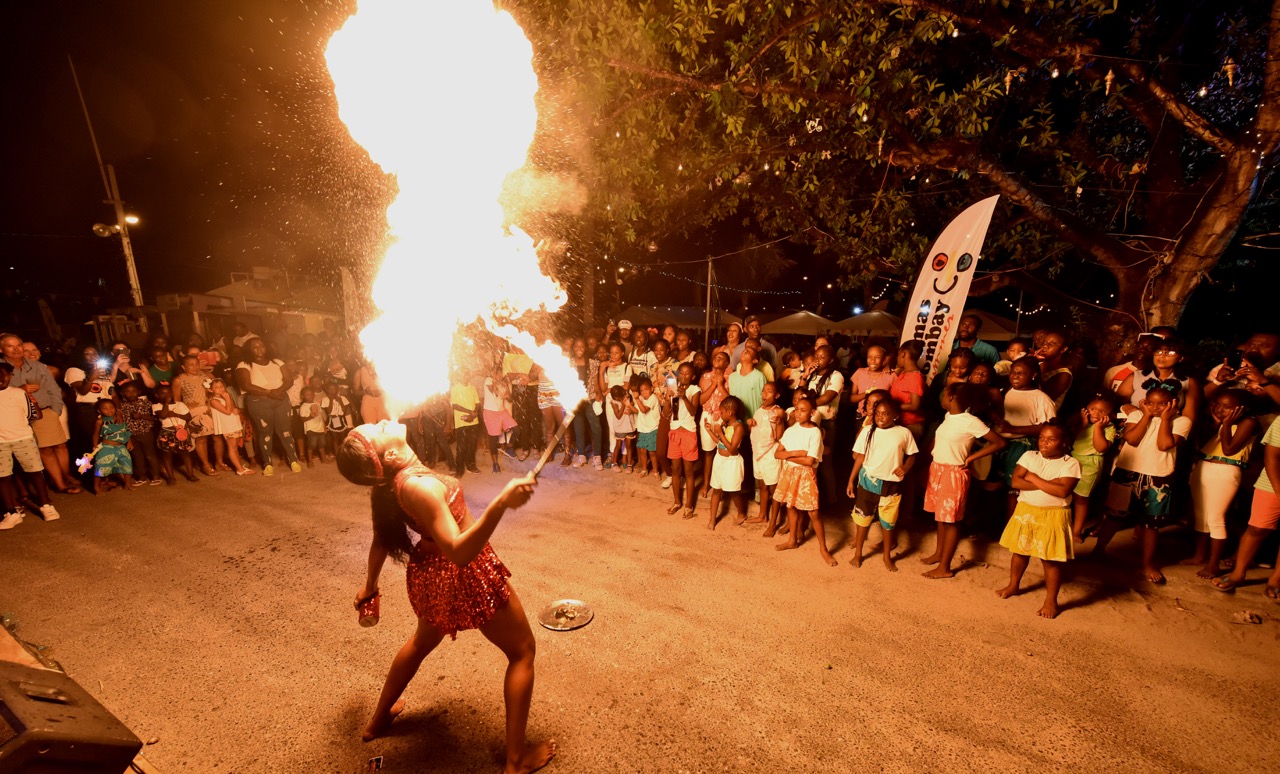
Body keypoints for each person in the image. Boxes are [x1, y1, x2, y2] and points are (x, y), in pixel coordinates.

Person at [336, 421, 555, 771]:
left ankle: (378, 721)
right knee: (522, 651)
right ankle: (516, 761)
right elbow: (458, 551)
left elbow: (381, 536)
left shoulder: (390, 482)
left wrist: (370, 584)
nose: (384, 420)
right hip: (463, 572)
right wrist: (501, 503)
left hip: (430, 573)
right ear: (389, 454)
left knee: (422, 641)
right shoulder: (420, 487)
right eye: (377, 428)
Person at [1093, 387, 1191, 583]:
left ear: (1173, 404)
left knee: (1150, 524)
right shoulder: (1137, 414)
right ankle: (1098, 550)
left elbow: (1164, 445)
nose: (1155, 407)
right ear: (1144, 402)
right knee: (1113, 516)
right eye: (1150, 402)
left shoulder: (1182, 421)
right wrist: (1145, 416)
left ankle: (1148, 563)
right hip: (1128, 471)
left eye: (1162, 403)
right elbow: (1132, 439)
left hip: (1158, 476)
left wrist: (1164, 420)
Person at [996, 422, 1082, 619]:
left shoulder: (1071, 463)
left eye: (1051, 439)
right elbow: (1016, 482)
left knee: (1050, 559)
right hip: (1026, 509)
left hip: (1054, 514)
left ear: (1064, 443)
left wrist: (1033, 478)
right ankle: (1013, 585)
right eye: (1042, 438)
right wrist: (1049, 484)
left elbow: (1063, 491)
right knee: (1019, 551)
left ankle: (1051, 600)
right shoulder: (1029, 455)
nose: (1044, 443)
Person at [920, 384, 1006, 579]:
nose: (941, 397)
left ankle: (945, 567)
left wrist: (972, 458)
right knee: (941, 517)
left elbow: (999, 442)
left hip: (954, 473)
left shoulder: (970, 421)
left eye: (944, 394)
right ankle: (939, 554)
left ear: (950, 397)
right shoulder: (950, 417)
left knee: (951, 521)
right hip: (938, 469)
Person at [1183, 390, 1256, 578]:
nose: (1220, 409)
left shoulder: (1249, 422)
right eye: (1217, 404)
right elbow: (1202, 444)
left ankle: (1213, 564)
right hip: (1203, 465)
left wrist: (1227, 423)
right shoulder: (1214, 421)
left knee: (1216, 518)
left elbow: (1229, 449)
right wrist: (1217, 423)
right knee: (1201, 516)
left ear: (1241, 409)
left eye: (1227, 406)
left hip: (1226, 470)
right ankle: (1200, 556)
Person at [1212, 412, 1280, 597]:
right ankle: (1238, 573)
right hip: (1273, 483)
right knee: (1257, 528)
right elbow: (1272, 458)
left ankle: (1276, 579)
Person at [848, 398, 919, 572]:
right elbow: (860, 457)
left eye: (885, 414)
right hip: (868, 480)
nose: (880, 417)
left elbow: (912, 455)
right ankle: (858, 553)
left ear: (895, 416)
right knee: (863, 519)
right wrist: (851, 479)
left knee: (888, 522)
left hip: (891, 484)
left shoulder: (903, 433)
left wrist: (905, 468)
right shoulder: (867, 431)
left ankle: (887, 556)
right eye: (877, 413)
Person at [1, 333, 75, 494]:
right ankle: (56, 484)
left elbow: (54, 390)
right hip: (14, 417)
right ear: (1, 349)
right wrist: (21, 390)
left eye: (18, 345)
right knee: (41, 450)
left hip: (43, 411)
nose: (16, 349)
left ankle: (63, 479)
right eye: (10, 346)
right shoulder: (1, 369)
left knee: (55, 446)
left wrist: (55, 410)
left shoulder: (38, 367)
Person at [0, 362, 60, 528]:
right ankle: (11, 513)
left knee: (34, 472)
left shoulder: (19, 393)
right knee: (2, 477)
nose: (3, 378)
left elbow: (31, 415)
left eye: (6, 375)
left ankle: (46, 505)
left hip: (23, 438)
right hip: (0, 442)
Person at [994, 359, 1057, 514]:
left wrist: (1014, 428)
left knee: (1014, 489)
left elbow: (1049, 428)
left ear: (1033, 375)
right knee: (997, 485)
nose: (1015, 376)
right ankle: (998, 524)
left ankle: (1011, 527)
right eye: (1013, 372)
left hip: (1022, 445)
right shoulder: (1009, 390)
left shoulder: (1040, 398)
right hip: (1002, 444)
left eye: (1021, 373)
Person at [773, 395, 830, 564]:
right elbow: (778, 453)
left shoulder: (815, 433)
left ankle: (823, 548)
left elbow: (810, 461)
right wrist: (796, 453)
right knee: (791, 506)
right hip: (789, 473)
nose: (798, 413)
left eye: (803, 411)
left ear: (812, 413)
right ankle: (792, 541)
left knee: (813, 512)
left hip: (806, 475)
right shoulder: (791, 431)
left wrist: (788, 456)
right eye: (797, 409)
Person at [235, 338, 302, 475]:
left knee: (285, 431)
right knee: (265, 432)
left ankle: (293, 460)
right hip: (259, 402)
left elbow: (289, 379)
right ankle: (267, 463)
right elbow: (246, 385)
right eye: (255, 347)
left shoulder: (277, 362)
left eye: (262, 346)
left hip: (281, 399)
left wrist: (280, 390)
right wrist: (269, 392)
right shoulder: (244, 364)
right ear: (249, 350)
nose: (259, 349)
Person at [1116, 336, 1201, 426]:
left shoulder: (1188, 382)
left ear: (1181, 358)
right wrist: (1126, 407)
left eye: (1170, 352)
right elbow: (1116, 403)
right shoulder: (1136, 376)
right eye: (1158, 351)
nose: (1162, 355)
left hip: (1168, 429)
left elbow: (1189, 417)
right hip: (1135, 426)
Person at [1069, 395, 1117, 543]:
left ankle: (1077, 531)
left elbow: (1101, 448)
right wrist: (1083, 424)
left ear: (1109, 416)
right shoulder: (1078, 422)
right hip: (1070, 461)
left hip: (1090, 465)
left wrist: (1098, 428)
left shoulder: (1109, 428)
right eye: (1093, 409)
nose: (1096, 413)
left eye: (1102, 412)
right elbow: (1069, 440)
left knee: (1081, 499)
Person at [665, 363, 702, 518]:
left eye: (688, 373)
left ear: (692, 376)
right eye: (682, 372)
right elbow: (668, 414)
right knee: (675, 470)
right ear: (678, 374)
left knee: (688, 471)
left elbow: (693, 410)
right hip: (674, 432)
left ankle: (688, 505)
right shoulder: (673, 389)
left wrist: (683, 396)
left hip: (688, 433)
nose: (684, 375)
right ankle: (676, 502)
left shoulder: (695, 390)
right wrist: (668, 398)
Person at [704, 396, 747, 529]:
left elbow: (732, 449)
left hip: (732, 462)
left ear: (730, 412)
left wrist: (720, 433)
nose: (720, 414)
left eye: (721, 412)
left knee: (733, 491)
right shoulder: (726, 425)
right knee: (716, 490)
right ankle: (712, 519)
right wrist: (710, 431)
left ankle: (741, 513)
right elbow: (719, 443)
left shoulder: (738, 427)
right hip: (720, 460)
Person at [748, 381, 785, 533]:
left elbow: (781, 436)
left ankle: (773, 523)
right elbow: (756, 430)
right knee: (762, 485)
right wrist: (750, 423)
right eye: (763, 391)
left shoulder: (779, 412)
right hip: (758, 454)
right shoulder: (758, 410)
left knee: (774, 489)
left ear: (777, 395)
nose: (764, 394)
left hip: (770, 454)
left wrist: (780, 422)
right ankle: (763, 515)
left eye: (769, 391)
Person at [172, 355, 218, 476]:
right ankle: (206, 465)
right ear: (183, 367)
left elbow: (216, 382)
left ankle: (219, 462)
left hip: (210, 409)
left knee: (216, 437)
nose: (195, 367)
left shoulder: (205, 375)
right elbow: (177, 401)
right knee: (201, 438)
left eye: (196, 364)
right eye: (190, 365)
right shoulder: (179, 379)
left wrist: (204, 370)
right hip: (194, 412)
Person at [697, 351, 731, 496]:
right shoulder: (705, 377)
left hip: (722, 418)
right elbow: (700, 400)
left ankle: (720, 488)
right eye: (716, 356)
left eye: (722, 358)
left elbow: (731, 402)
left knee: (723, 452)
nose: (718, 358)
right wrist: (713, 385)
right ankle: (706, 484)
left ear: (727, 364)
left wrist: (721, 385)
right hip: (707, 417)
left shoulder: (730, 378)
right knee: (708, 453)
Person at [118, 381, 164, 485]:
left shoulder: (146, 403)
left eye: (134, 391)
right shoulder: (122, 406)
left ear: (139, 392)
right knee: (137, 456)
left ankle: (156, 475)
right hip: (131, 435)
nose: (131, 394)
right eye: (128, 392)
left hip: (145, 433)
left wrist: (141, 416)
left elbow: (155, 418)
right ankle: (141, 476)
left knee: (150, 455)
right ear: (122, 393)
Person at [153, 384, 197, 484]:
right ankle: (171, 477)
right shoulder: (156, 406)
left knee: (185, 454)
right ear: (157, 395)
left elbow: (188, 417)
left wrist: (175, 414)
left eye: (168, 392)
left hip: (181, 433)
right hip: (167, 433)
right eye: (162, 394)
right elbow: (163, 415)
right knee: (167, 455)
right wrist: (166, 404)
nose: (166, 395)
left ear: (172, 393)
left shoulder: (180, 404)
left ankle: (191, 474)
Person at [210, 378, 255, 475]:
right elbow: (227, 411)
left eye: (221, 386)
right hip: (228, 427)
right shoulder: (214, 401)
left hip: (234, 424)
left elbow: (233, 408)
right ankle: (239, 469)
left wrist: (236, 410)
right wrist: (227, 399)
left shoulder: (225, 397)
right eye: (216, 387)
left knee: (235, 447)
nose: (220, 389)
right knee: (232, 447)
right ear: (211, 390)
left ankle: (239, 465)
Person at [91, 399, 134, 494]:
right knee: (101, 466)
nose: (109, 410)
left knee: (127, 464)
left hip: (121, 447)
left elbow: (125, 430)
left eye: (111, 408)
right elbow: (96, 434)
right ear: (99, 411)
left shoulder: (119, 418)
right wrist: (95, 445)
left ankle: (128, 484)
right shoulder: (99, 421)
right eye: (105, 408)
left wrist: (129, 442)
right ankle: (96, 487)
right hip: (107, 447)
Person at [848, 345, 894, 421]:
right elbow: (852, 398)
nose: (873, 360)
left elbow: (893, 400)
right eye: (869, 357)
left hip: (881, 418)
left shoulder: (891, 375)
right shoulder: (860, 372)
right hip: (862, 416)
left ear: (884, 359)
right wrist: (867, 393)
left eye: (877, 357)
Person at [633, 377, 660, 477]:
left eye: (646, 389)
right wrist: (628, 404)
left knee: (652, 452)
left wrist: (636, 399)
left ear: (651, 389)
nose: (644, 392)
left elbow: (644, 410)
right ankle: (644, 469)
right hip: (643, 428)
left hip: (652, 428)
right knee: (642, 451)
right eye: (641, 390)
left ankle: (656, 471)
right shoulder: (640, 399)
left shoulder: (653, 398)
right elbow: (637, 411)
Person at [606, 385, 636, 472]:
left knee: (629, 445)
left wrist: (630, 405)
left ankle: (629, 465)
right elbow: (618, 416)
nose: (616, 398)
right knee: (618, 445)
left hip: (629, 425)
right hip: (620, 426)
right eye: (615, 397)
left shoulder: (626, 395)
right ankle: (614, 463)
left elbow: (632, 404)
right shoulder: (614, 402)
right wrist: (623, 404)